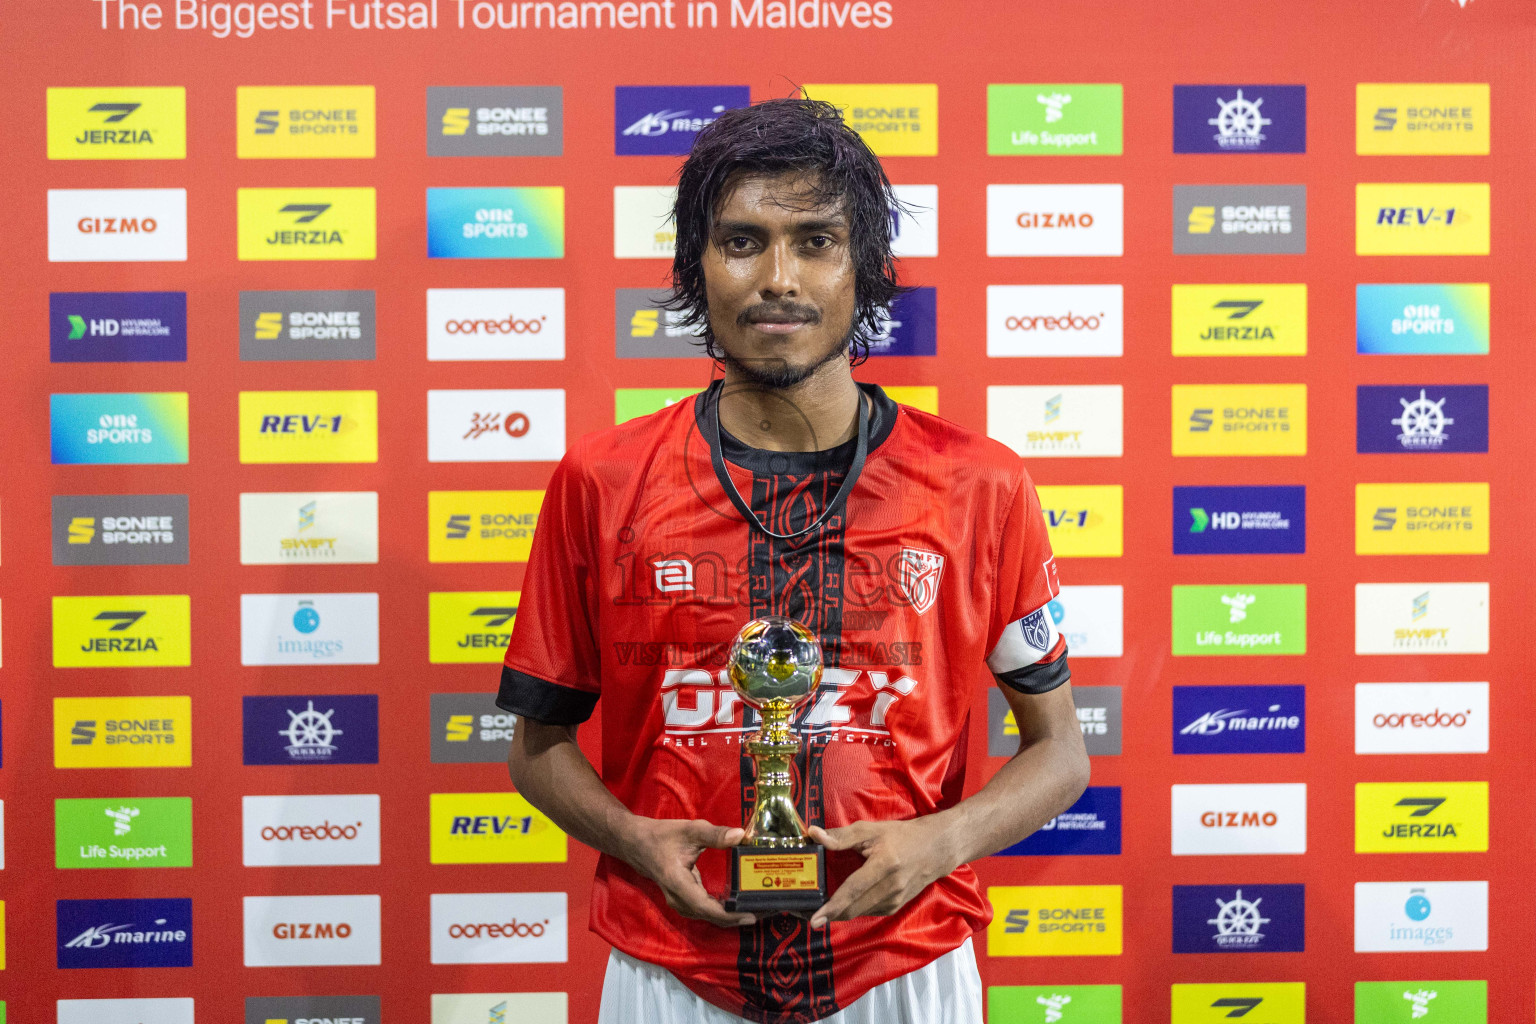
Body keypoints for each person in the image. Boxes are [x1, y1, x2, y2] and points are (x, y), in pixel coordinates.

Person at [500, 97, 1089, 1024]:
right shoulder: (602, 481)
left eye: (815, 241)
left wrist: (940, 842)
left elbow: (1060, 752)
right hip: (673, 964)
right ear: (699, 265)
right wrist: (633, 838)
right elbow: (537, 749)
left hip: (900, 964)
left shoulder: (979, 484)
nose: (778, 277)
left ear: (866, 269)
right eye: (742, 241)